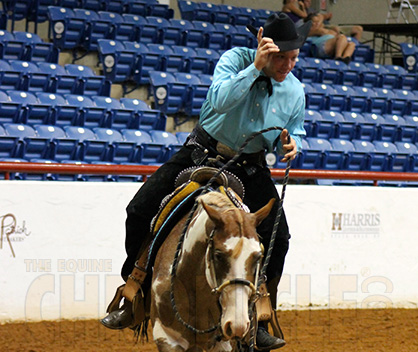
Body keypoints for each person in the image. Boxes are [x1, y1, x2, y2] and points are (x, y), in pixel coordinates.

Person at [101, 12, 311, 351]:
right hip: (201, 152)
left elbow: (296, 128)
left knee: (280, 237)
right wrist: (255, 68)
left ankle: (259, 313)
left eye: (293, 58)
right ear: (262, 45)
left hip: (251, 166)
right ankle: (135, 292)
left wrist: (292, 143)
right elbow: (219, 100)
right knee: (138, 210)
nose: (288, 64)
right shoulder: (234, 61)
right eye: (281, 57)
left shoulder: (295, 90)